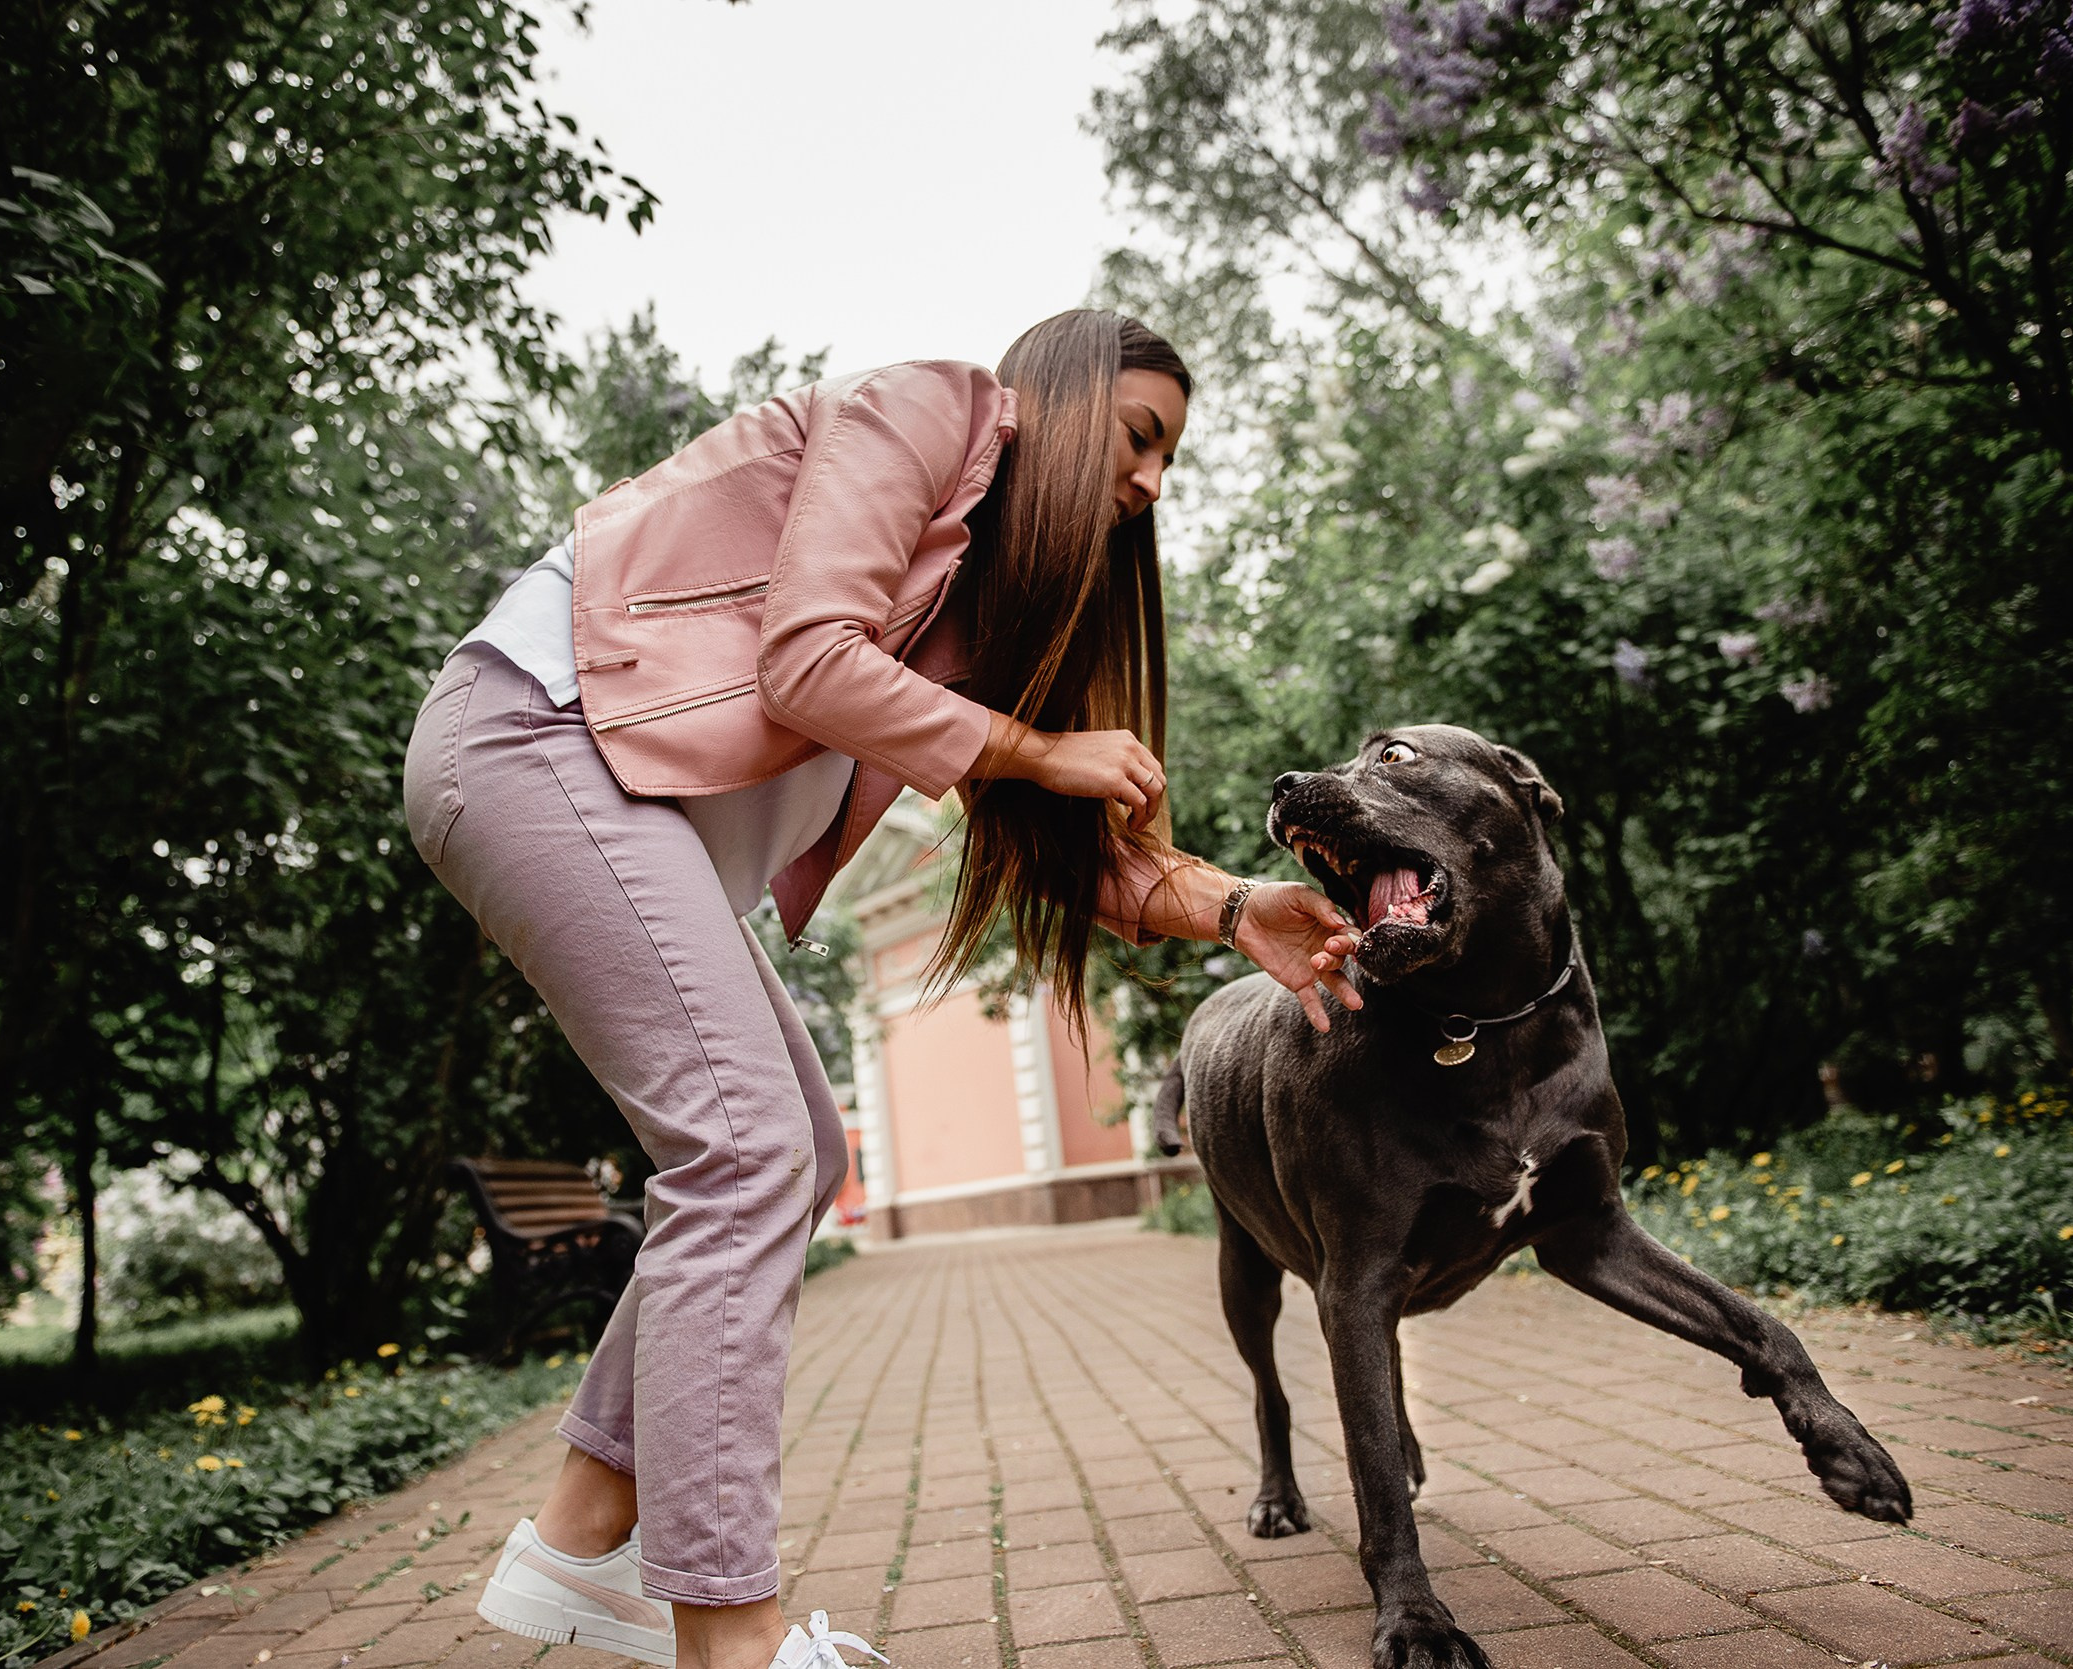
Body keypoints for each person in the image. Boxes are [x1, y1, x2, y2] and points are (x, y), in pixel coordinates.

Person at [403, 310, 1361, 1669]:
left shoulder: (987, 607)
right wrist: (1039, 749)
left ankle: (577, 1537)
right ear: (1058, 396)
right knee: (746, 1150)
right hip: (533, 733)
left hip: (608, 795)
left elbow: (1067, 851)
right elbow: (808, 657)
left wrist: (1232, 904)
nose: (1151, 481)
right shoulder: (931, 408)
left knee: (800, 1148)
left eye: (1168, 462)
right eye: (1140, 437)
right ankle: (731, 1641)